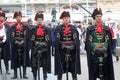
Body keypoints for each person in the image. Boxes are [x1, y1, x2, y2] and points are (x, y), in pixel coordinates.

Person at [85, 8, 115, 80]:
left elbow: (108, 41)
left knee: (106, 76)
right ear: (94, 18)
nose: (99, 18)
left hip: (104, 55)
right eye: (97, 16)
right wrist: (96, 48)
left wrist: (104, 48)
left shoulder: (106, 29)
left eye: (100, 16)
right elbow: (89, 42)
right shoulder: (90, 29)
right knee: (93, 75)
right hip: (94, 56)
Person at [54, 11, 81, 80]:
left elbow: (76, 38)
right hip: (62, 51)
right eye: (65, 18)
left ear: (69, 18)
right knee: (60, 69)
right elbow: (57, 39)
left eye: (67, 18)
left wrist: (73, 45)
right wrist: (62, 45)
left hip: (72, 51)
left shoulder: (73, 28)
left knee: (73, 69)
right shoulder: (58, 28)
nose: (66, 19)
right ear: (62, 19)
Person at [30, 12, 51, 80]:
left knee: (44, 64)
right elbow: (32, 39)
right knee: (34, 64)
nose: (39, 21)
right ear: (36, 21)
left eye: (41, 20)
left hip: (44, 49)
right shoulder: (33, 29)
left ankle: (45, 76)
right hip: (35, 49)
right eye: (38, 20)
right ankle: (34, 77)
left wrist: (45, 43)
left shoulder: (47, 29)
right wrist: (35, 43)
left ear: (42, 20)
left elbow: (48, 39)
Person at [10, 11, 30, 79]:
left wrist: (23, 41)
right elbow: (12, 36)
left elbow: (26, 35)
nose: (18, 18)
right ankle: (15, 74)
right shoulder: (12, 26)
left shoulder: (25, 26)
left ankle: (24, 74)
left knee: (24, 59)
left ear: (21, 18)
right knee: (15, 59)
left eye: (19, 17)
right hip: (15, 46)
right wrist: (15, 41)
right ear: (15, 18)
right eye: (17, 17)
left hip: (23, 46)